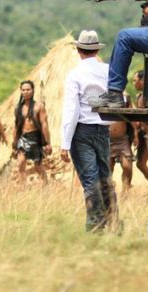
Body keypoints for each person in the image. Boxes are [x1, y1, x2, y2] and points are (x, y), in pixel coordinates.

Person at [60, 30, 118, 232]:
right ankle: (113, 221)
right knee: (105, 178)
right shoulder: (109, 70)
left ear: (78, 50)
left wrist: (65, 143)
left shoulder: (75, 74)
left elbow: (71, 109)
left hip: (82, 131)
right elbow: (116, 98)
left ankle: (96, 226)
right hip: (103, 129)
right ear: (96, 49)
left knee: (90, 181)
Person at [13, 80, 52, 186]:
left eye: (28, 89)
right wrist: (14, 143)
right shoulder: (18, 108)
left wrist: (47, 143)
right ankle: (22, 187)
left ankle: (45, 185)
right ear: (20, 91)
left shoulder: (39, 106)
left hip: (35, 138)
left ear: (33, 90)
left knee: (37, 166)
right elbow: (16, 126)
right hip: (22, 137)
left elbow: (44, 124)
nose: (26, 92)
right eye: (23, 90)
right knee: (21, 163)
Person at [108, 112, 134, 194]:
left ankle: (126, 188)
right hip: (108, 138)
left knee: (127, 166)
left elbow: (132, 114)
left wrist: (135, 132)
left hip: (122, 139)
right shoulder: (104, 98)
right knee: (108, 168)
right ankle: (108, 190)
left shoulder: (126, 99)